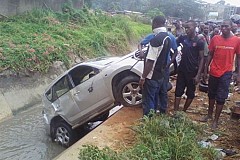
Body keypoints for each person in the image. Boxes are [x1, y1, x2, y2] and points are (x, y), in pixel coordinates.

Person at [200, 19, 240, 129]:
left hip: (226, 73)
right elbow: (210, 55)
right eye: (222, 26)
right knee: (211, 94)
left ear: (232, 27)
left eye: (226, 26)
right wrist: (205, 70)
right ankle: (209, 115)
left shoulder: (237, 40)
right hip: (213, 71)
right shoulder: (215, 38)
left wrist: (238, 73)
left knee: (221, 97)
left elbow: (238, 59)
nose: (223, 28)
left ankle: (216, 120)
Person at [139, 15, 171, 117]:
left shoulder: (155, 40)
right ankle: (153, 121)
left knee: (148, 100)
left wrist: (143, 77)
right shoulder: (167, 37)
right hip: (160, 75)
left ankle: (148, 120)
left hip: (152, 76)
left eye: (152, 23)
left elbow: (150, 62)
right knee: (155, 98)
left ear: (156, 23)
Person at [173, 20, 204, 112]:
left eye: (188, 28)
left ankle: (183, 112)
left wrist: (198, 75)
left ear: (195, 27)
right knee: (178, 91)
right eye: (185, 28)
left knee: (190, 93)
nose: (187, 30)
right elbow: (174, 45)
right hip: (182, 69)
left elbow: (202, 58)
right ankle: (176, 112)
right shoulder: (183, 38)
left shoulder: (199, 41)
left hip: (192, 71)